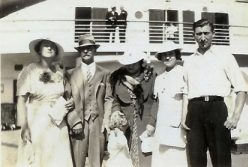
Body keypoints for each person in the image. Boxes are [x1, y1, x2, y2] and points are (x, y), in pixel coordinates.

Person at [183, 19, 248, 167]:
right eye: (198, 34)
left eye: (206, 33)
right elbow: (186, 92)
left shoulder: (225, 56)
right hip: (194, 111)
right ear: (194, 35)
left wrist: (235, 116)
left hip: (217, 109)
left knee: (221, 160)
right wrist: (183, 118)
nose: (202, 37)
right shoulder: (189, 61)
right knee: (195, 160)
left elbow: (241, 88)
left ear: (213, 34)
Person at [17, 38, 75, 167]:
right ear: (38, 49)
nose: (49, 48)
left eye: (52, 46)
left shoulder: (60, 72)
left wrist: (70, 101)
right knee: (39, 158)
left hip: (58, 122)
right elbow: (21, 101)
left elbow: (66, 93)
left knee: (58, 158)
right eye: (46, 45)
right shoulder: (29, 70)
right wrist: (24, 126)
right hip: (37, 122)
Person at [67, 34, 113, 167]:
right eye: (82, 49)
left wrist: (106, 121)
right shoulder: (70, 74)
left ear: (95, 50)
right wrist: (74, 121)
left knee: (96, 162)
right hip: (78, 124)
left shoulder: (104, 73)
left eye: (89, 48)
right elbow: (66, 100)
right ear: (79, 51)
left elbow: (108, 98)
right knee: (77, 161)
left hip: (98, 123)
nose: (86, 51)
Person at [110, 51, 157, 167]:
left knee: (146, 160)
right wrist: (115, 112)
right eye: (127, 63)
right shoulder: (118, 78)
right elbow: (115, 101)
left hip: (146, 126)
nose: (130, 66)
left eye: (133, 63)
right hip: (126, 127)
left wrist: (152, 123)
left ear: (140, 62)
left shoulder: (151, 76)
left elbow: (157, 101)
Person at [146, 41, 188, 167]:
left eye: (171, 54)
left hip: (178, 126)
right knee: (161, 161)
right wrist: (151, 123)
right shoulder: (159, 78)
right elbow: (157, 102)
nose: (168, 57)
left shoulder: (184, 73)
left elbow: (188, 100)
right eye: (164, 55)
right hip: (162, 127)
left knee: (178, 160)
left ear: (176, 55)